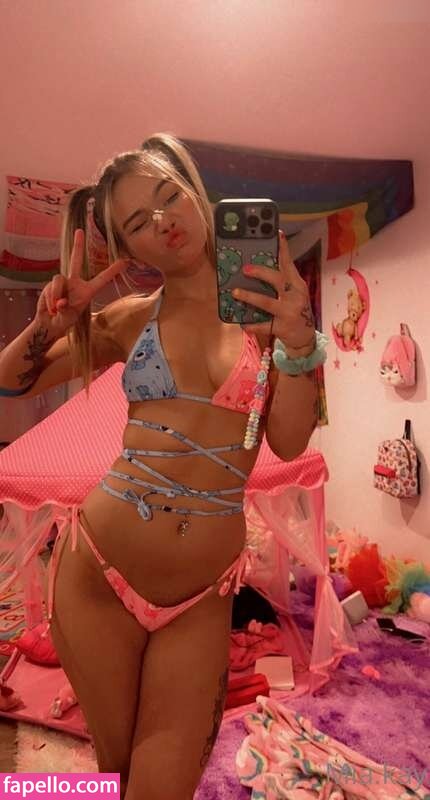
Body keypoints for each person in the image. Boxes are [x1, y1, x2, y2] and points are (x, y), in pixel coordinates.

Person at [0, 134, 326, 799]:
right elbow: (10, 381)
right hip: (98, 574)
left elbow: (290, 441)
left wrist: (298, 339)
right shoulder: (129, 319)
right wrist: (51, 324)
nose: (164, 221)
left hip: (201, 597)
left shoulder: (268, 320)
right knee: (120, 772)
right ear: (130, 250)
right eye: (138, 222)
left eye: (168, 196)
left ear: (196, 195)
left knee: (163, 786)